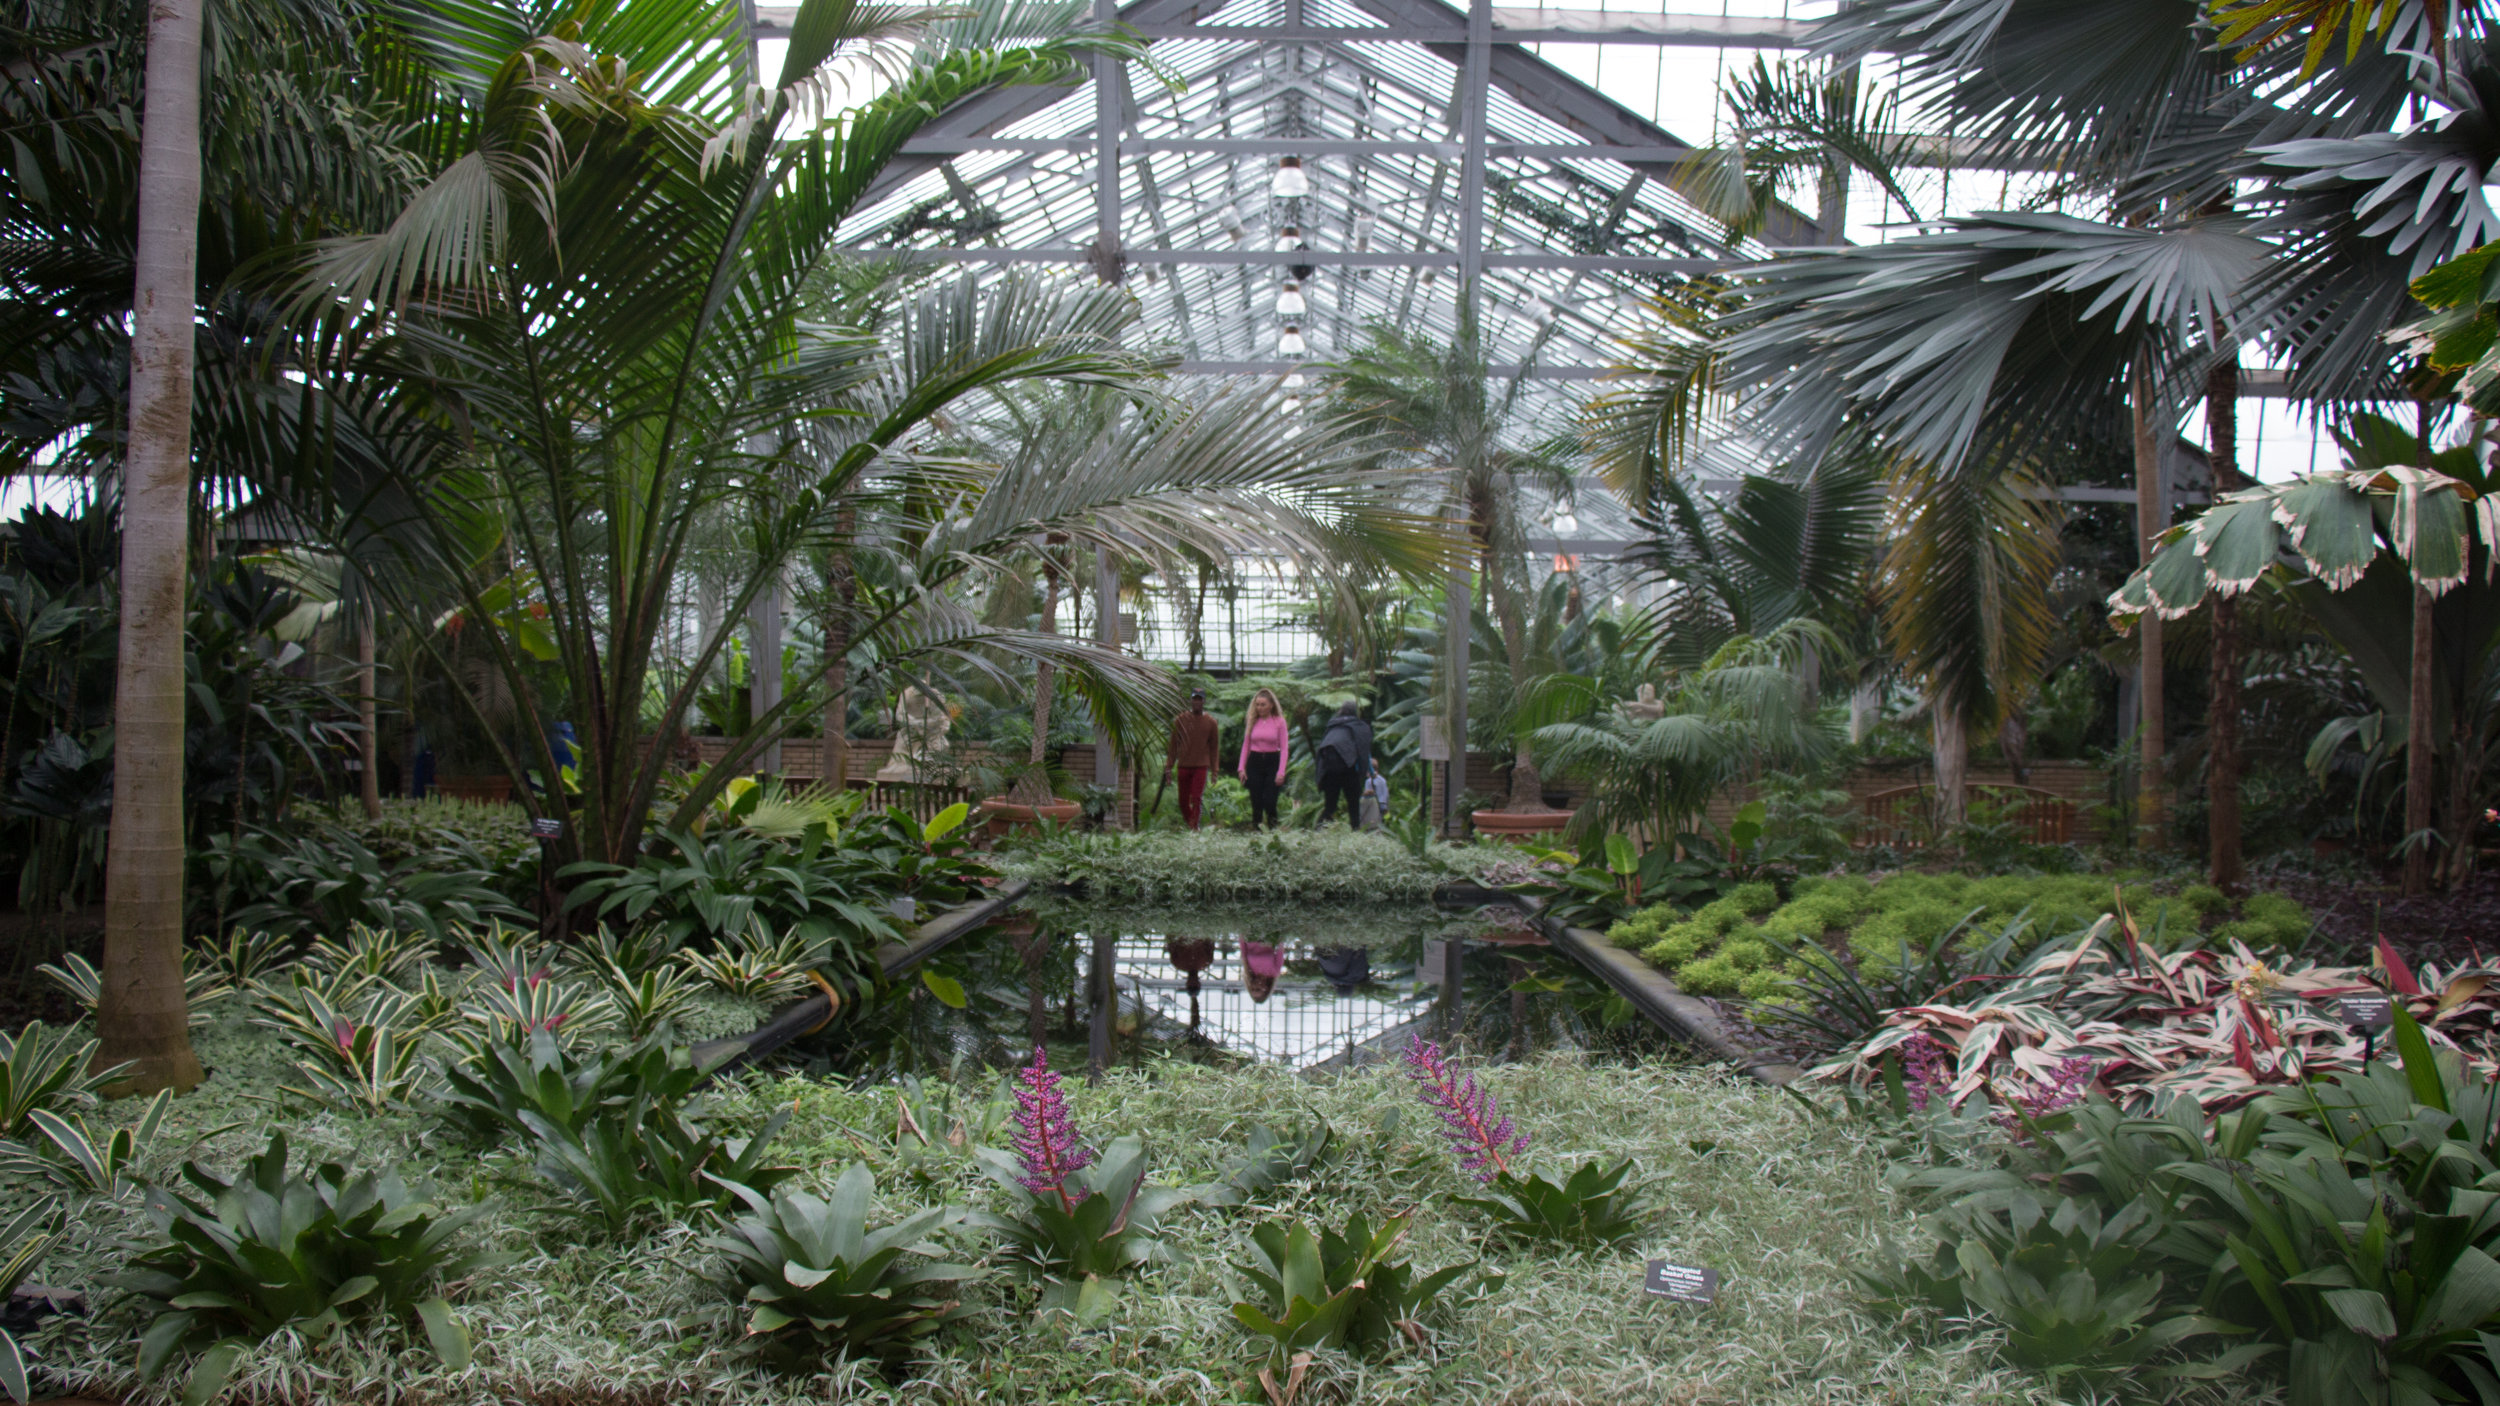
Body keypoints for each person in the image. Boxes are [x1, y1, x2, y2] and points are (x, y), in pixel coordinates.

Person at [1163, 689, 1221, 830]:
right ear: (1191, 700)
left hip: (1201, 765)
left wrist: (1215, 770)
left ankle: (1195, 827)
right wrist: (1169, 766)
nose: (1197, 702)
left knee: (1196, 798)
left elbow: (1214, 748)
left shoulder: (1211, 722)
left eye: (1199, 699)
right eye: (1195, 699)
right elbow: (1173, 746)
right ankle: (1192, 825)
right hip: (1184, 764)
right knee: (1183, 801)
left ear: (1204, 701)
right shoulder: (1181, 720)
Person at [1314, 700, 1373, 829]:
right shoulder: (1360, 726)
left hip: (1329, 769)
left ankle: (1318, 831)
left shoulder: (1332, 725)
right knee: (1353, 805)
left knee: (1330, 806)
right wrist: (1366, 773)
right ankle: (1355, 832)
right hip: (1349, 769)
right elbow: (1364, 751)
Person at [1237, 687, 1289, 830]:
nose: (1259, 708)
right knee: (1256, 802)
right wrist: (1241, 768)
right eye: (1257, 705)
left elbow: (1284, 748)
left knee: (1270, 801)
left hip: (1273, 761)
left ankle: (1273, 831)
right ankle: (1257, 832)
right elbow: (1246, 746)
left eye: (1263, 704)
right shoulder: (1252, 721)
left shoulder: (1279, 722)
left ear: (1271, 705)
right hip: (1255, 762)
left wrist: (1281, 772)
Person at [1241, 938, 1282, 1004]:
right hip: (1268, 935)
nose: (1254, 986)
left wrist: (1242, 936)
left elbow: (1243, 949)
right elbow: (1280, 949)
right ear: (1266, 989)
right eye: (1258, 989)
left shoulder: (1249, 970)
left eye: (1252, 989)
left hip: (1251, 936)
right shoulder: (1274, 972)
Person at [1360, 761, 1390, 831]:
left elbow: (1384, 795)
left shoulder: (1378, 781)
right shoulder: (1370, 781)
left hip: (1378, 805)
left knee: (1378, 823)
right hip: (1376, 805)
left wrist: (1383, 806)